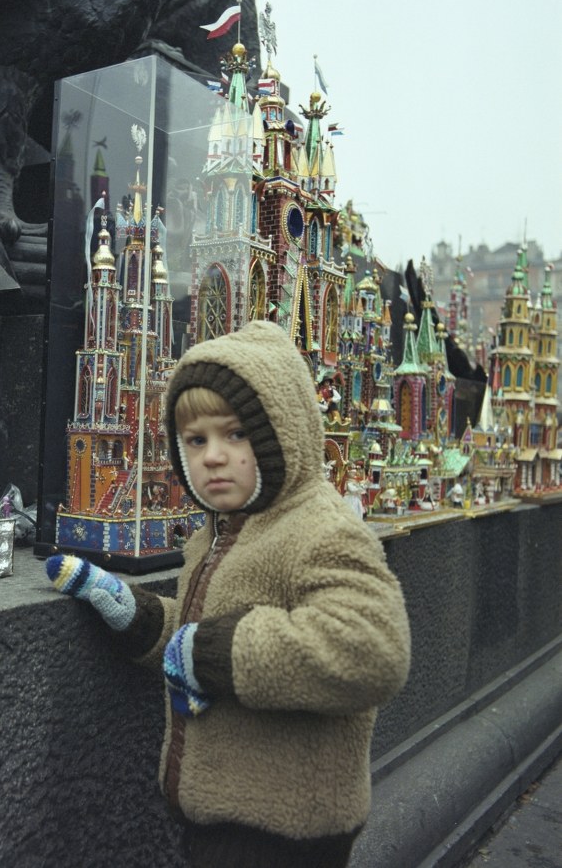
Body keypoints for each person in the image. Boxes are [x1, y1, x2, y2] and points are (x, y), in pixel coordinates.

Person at [46, 320, 411, 867]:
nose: (213, 456)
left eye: (235, 434)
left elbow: (372, 648)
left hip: (283, 829)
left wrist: (212, 652)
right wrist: (142, 619)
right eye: (196, 440)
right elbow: (201, 637)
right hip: (218, 816)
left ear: (280, 431)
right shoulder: (216, 532)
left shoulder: (320, 528)